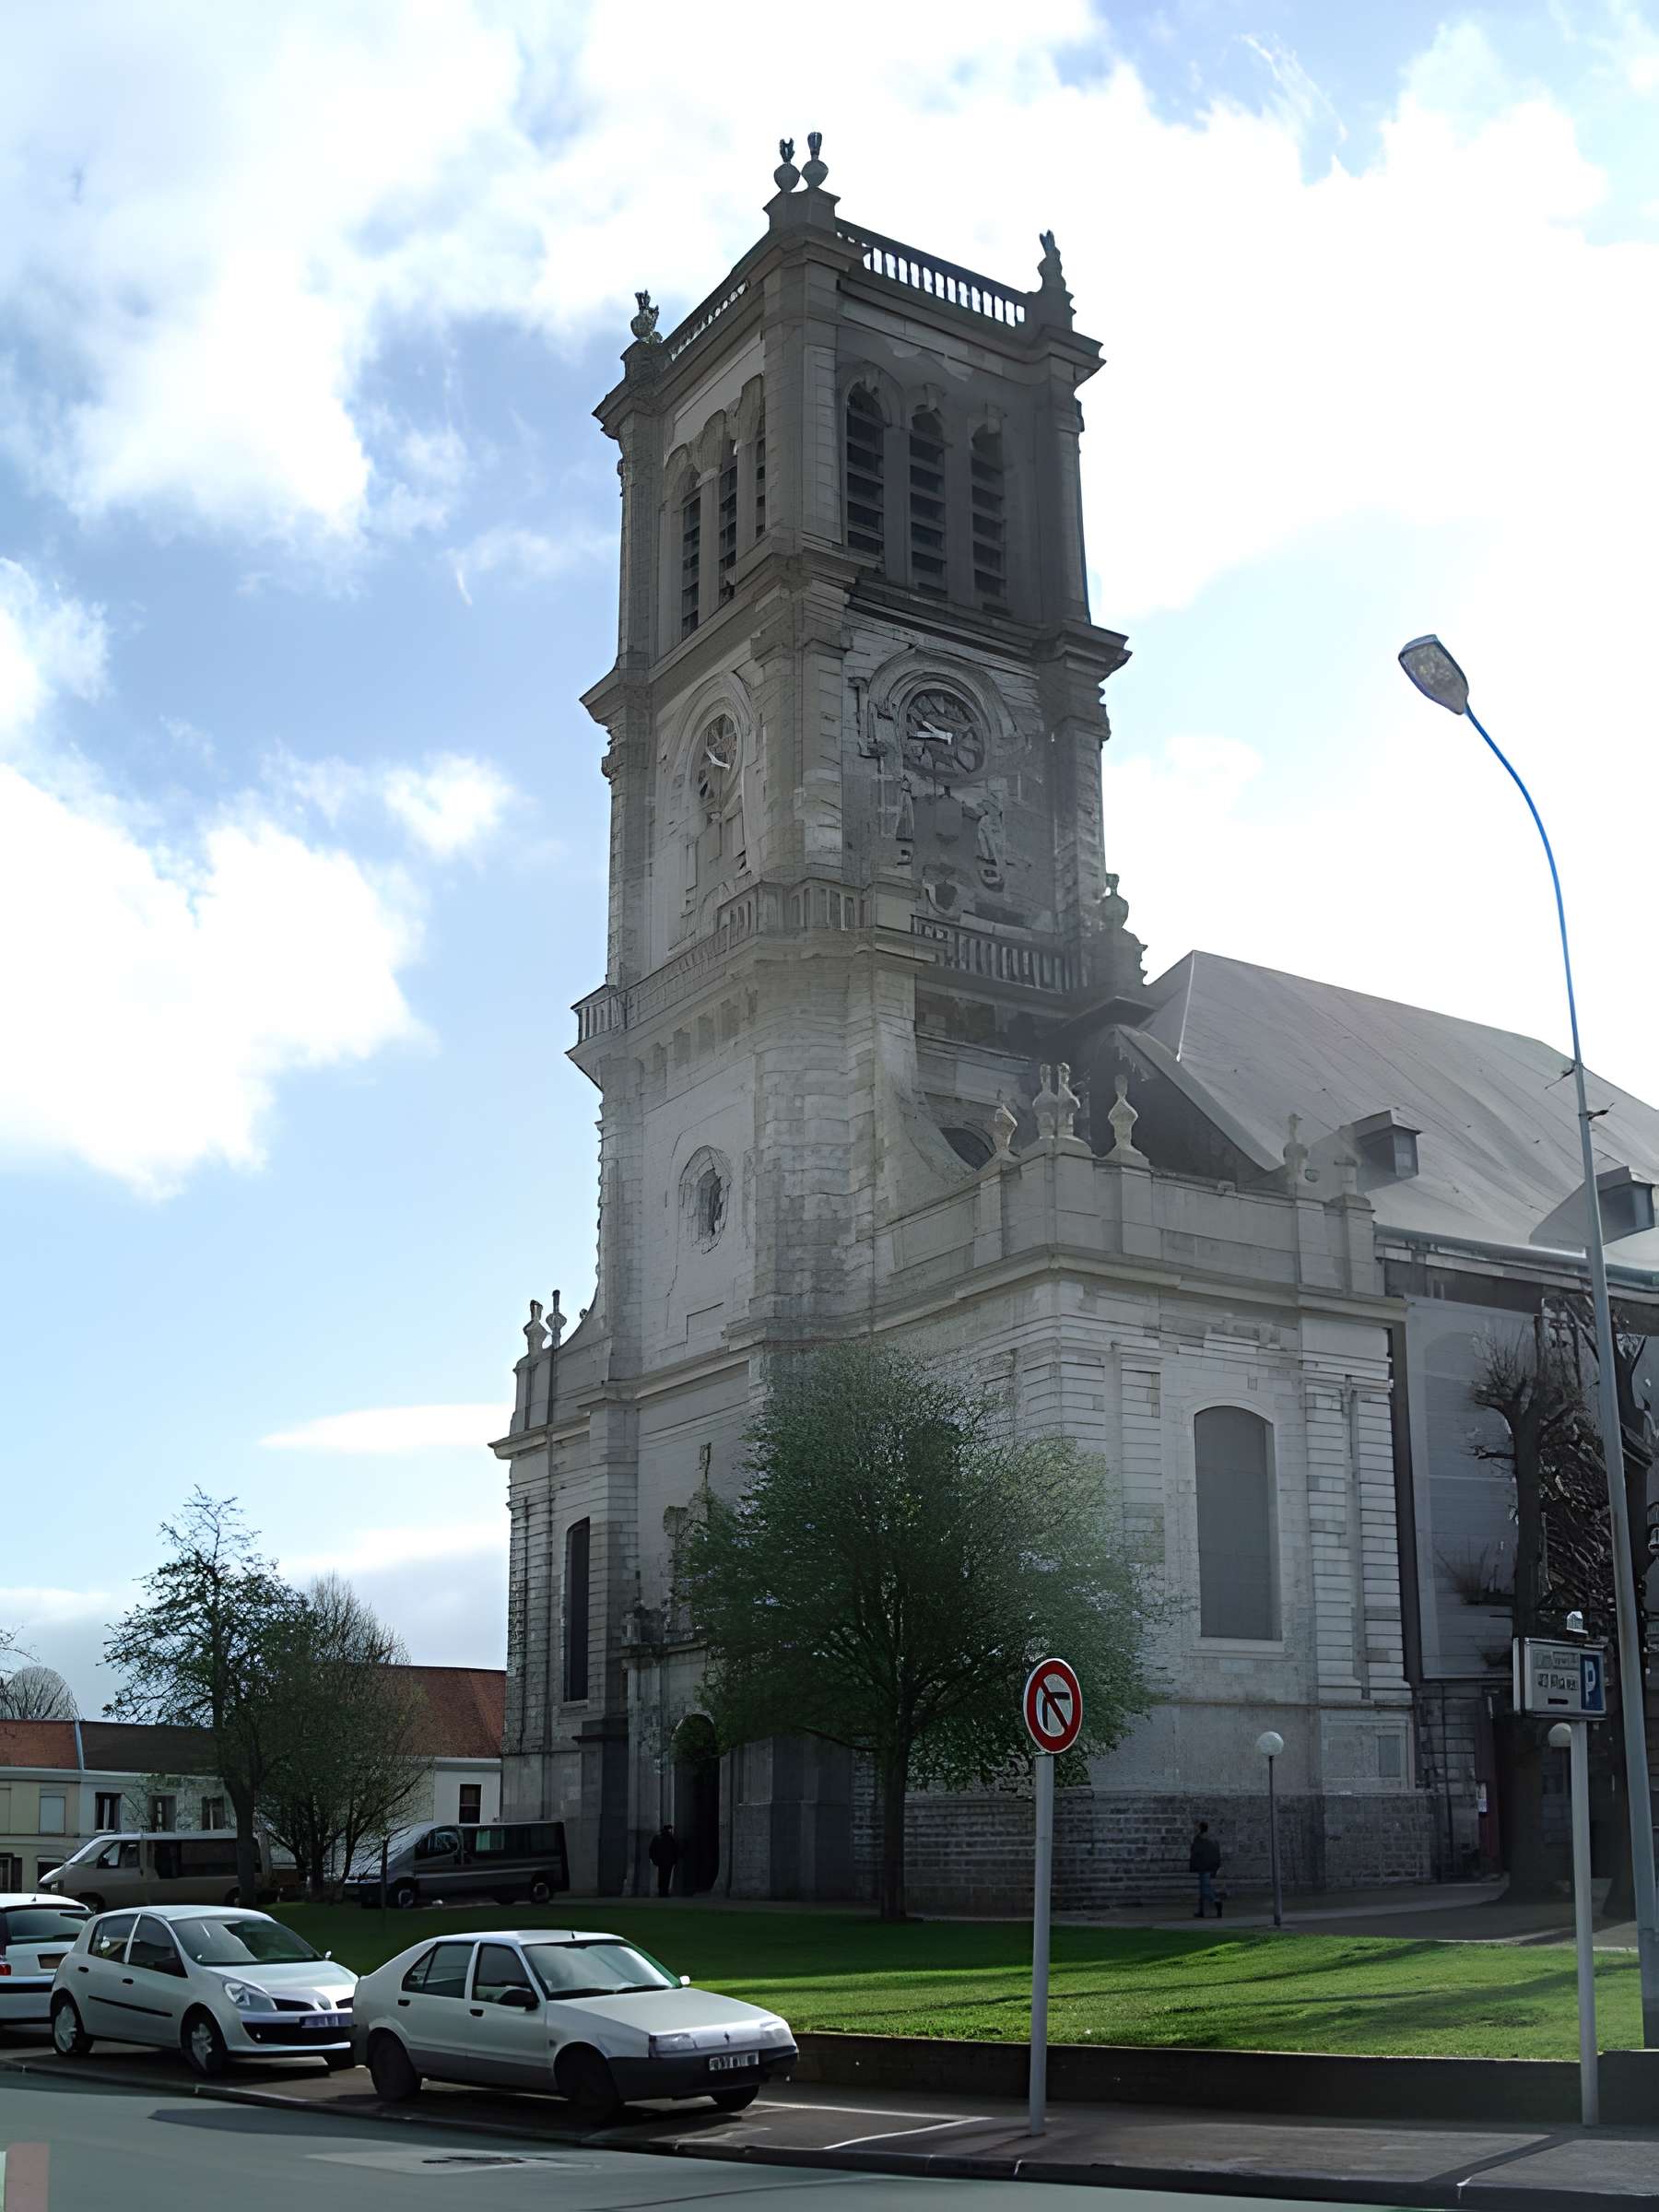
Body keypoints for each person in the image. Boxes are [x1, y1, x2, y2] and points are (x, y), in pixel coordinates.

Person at [1189, 1819, 1223, 1918]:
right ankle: (1202, 1911)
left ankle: (1216, 1901)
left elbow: (1195, 1853)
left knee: (1205, 1889)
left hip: (1203, 1867)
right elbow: (1216, 1854)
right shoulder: (1212, 1840)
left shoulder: (1199, 1839)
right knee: (1203, 1889)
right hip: (1209, 1866)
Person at [648, 1822, 679, 1899]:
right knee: (667, 1877)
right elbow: (675, 1850)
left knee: (661, 1876)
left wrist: (653, 1859)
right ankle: (665, 1892)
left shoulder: (658, 1837)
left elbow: (651, 1849)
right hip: (668, 1861)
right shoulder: (671, 1838)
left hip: (660, 1861)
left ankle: (661, 1892)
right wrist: (675, 1860)